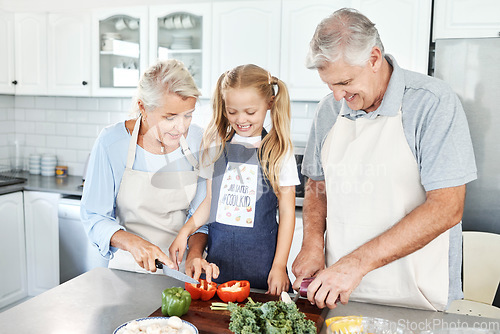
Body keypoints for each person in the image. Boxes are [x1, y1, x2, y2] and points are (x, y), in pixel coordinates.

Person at [292, 8, 477, 311]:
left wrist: (355, 265)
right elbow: (317, 183)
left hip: (418, 297)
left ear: (374, 58)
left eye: (346, 82)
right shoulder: (328, 111)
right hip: (340, 293)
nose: (338, 97)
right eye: (331, 86)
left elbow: (447, 207)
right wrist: (312, 243)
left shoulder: (431, 103)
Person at [170, 64, 300, 294]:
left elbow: (288, 213)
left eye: (250, 112)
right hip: (218, 269)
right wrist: (185, 231)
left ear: (269, 103)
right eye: (232, 112)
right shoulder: (215, 146)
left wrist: (280, 265)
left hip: (263, 268)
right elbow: (210, 202)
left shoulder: (279, 150)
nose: (241, 119)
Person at [81, 59, 216, 275]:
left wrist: (195, 255)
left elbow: (201, 219)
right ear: (143, 107)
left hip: (182, 269)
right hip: (129, 267)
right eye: (169, 117)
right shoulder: (112, 142)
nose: (181, 127)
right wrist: (134, 243)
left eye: (188, 115)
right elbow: (95, 216)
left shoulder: (199, 140)